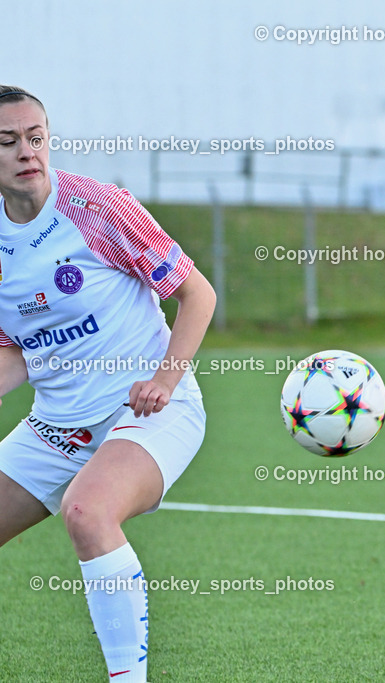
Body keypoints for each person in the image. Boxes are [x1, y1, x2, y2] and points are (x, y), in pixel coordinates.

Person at [0, 85, 216, 682]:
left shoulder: (97, 208)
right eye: (9, 141)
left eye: (36, 137)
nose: (27, 152)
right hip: (56, 428)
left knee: (88, 512)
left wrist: (165, 380)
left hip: (149, 415)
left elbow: (199, 294)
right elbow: (17, 351)